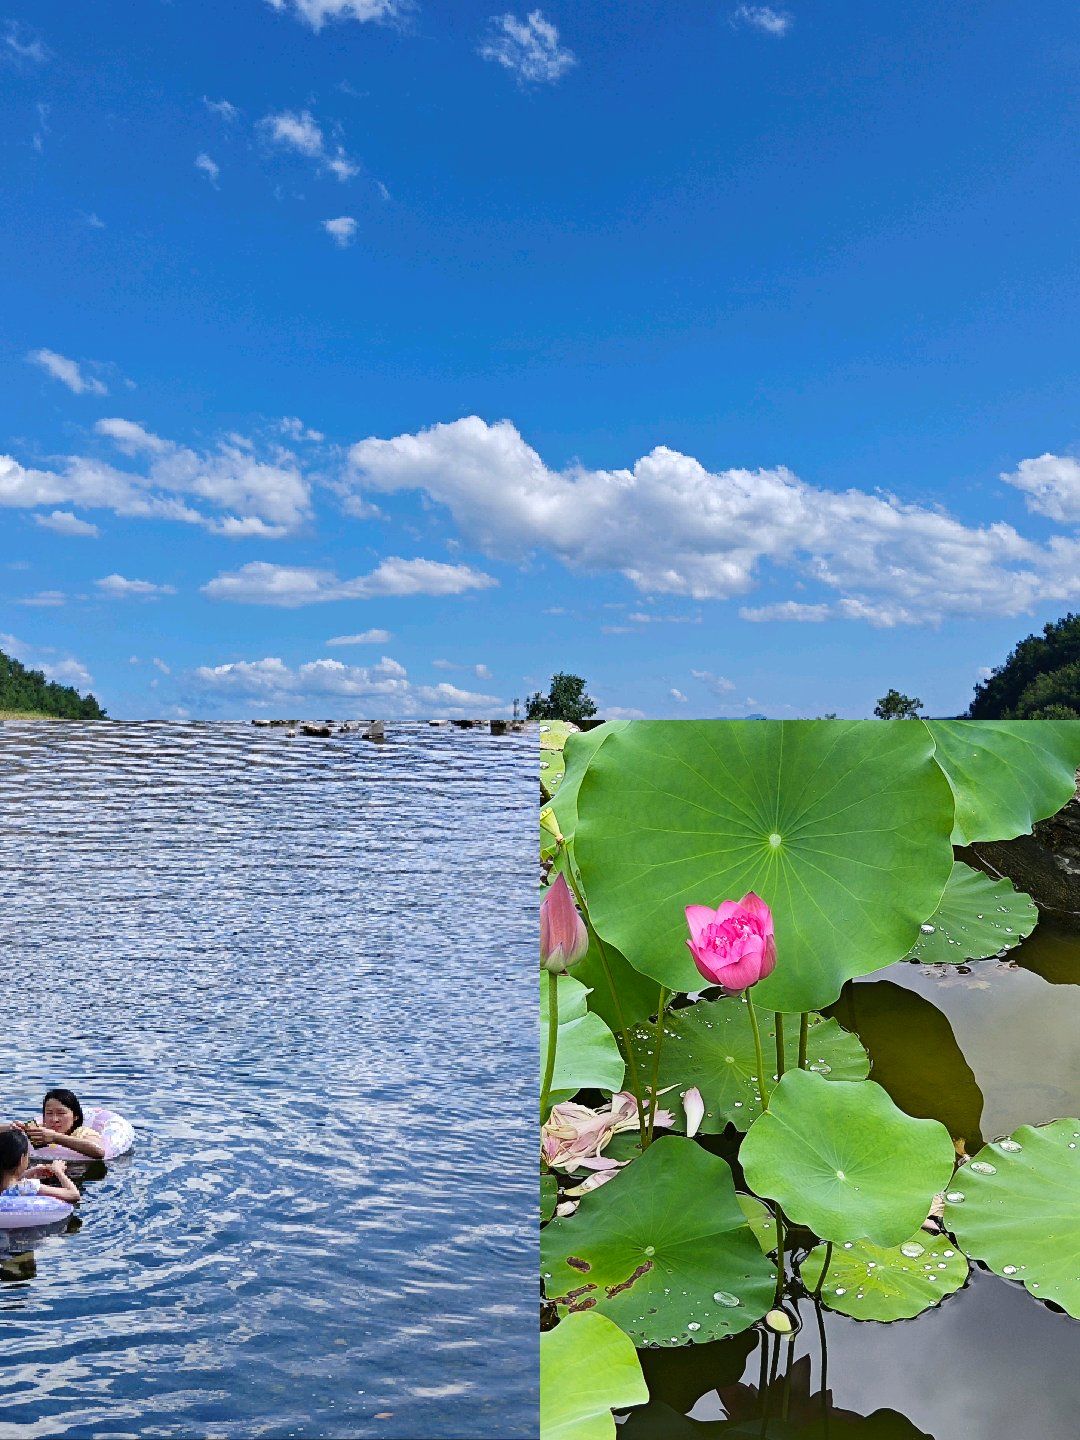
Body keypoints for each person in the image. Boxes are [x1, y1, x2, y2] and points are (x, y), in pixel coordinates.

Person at [0, 1127, 80, 1208]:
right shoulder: (28, 1187)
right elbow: (74, 1195)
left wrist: (27, 1174)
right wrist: (58, 1171)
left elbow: (9, 1183)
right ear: (22, 1159)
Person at [17, 1088, 107, 1161]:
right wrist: (14, 1131)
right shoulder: (38, 1131)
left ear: (75, 1116)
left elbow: (99, 1152)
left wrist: (55, 1137)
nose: (54, 1119)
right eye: (49, 1113)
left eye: (61, 1113)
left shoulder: (83, 1132)